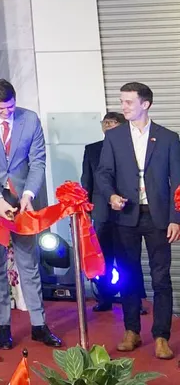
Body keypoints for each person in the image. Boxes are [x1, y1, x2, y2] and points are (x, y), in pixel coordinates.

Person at [0, 79, 61, 349]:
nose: (8, 112)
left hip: (23, 199)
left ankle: (39, 325)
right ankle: (3, 327)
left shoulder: (29, 119)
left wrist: (28, 194)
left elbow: (38, 161)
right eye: (1, 109)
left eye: (11, 107)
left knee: (28, 262)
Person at [97, 82, 180, 360]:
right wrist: (111, 195)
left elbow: (178, 182)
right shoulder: (114, 137)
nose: (123, 107)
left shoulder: (168, 138)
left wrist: (176, 218)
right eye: (122, 101)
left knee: (161, 278)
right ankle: (131, 330)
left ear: (145, 104)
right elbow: (104, 173)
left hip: (158, 217)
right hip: (125, 216)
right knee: (128, 275)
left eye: (129, 102)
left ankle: (161, 336)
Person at [81, 112, 128, 312]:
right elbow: (86, 181)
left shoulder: (130, 147)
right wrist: (86, 207)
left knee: (127, 257)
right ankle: (105, 298)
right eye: (105, 122)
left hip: (127, 209)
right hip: (101, 210)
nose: (108, 125)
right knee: (104, 257)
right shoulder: (92, 149)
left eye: (112, 122)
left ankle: (132, 300)